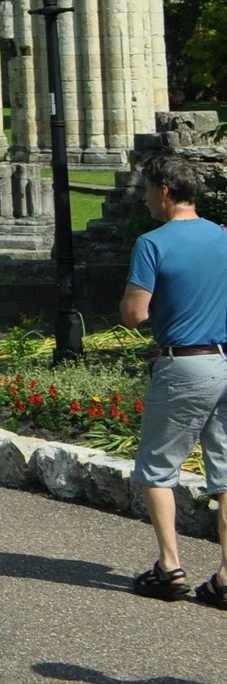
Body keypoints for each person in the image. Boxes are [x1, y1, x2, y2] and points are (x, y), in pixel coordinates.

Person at [122, 154, 227, 603]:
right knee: (225, 474)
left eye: (146, 189)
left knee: (158, 468)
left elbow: (134, 314)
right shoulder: (224, 236)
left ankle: (170, 568)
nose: (144, 198)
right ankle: (225, 579)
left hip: (185, 364)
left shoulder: (153, 243)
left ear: (164, 192)